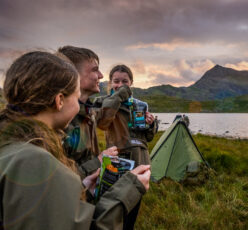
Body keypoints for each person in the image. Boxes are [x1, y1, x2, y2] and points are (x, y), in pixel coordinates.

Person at [0, 51, 151, 230]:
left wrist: (82, 188)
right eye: (76, 95)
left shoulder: (18, 146)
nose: (81, 105)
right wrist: (127, 191)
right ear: (60, 101)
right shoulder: (34, 161)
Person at [97, 64, 157, 230]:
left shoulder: (140, 105)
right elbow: (102, 123)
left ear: (131, 82)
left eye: (125, 81)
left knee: (132, 211)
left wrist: (150, 124)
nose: (120, 84)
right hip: (119, 162)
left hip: (141, 160)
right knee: (115, 209)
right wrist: (118, 97)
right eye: (116, 81)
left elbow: (148, 137)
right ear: (110, 82)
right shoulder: (106, 103)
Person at [58, 46, 117, 178]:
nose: (101, 75)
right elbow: (58, 180)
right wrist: (98, 162)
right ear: (73, 74)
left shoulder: (87, 112)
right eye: (95, 70)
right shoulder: (59, 120)